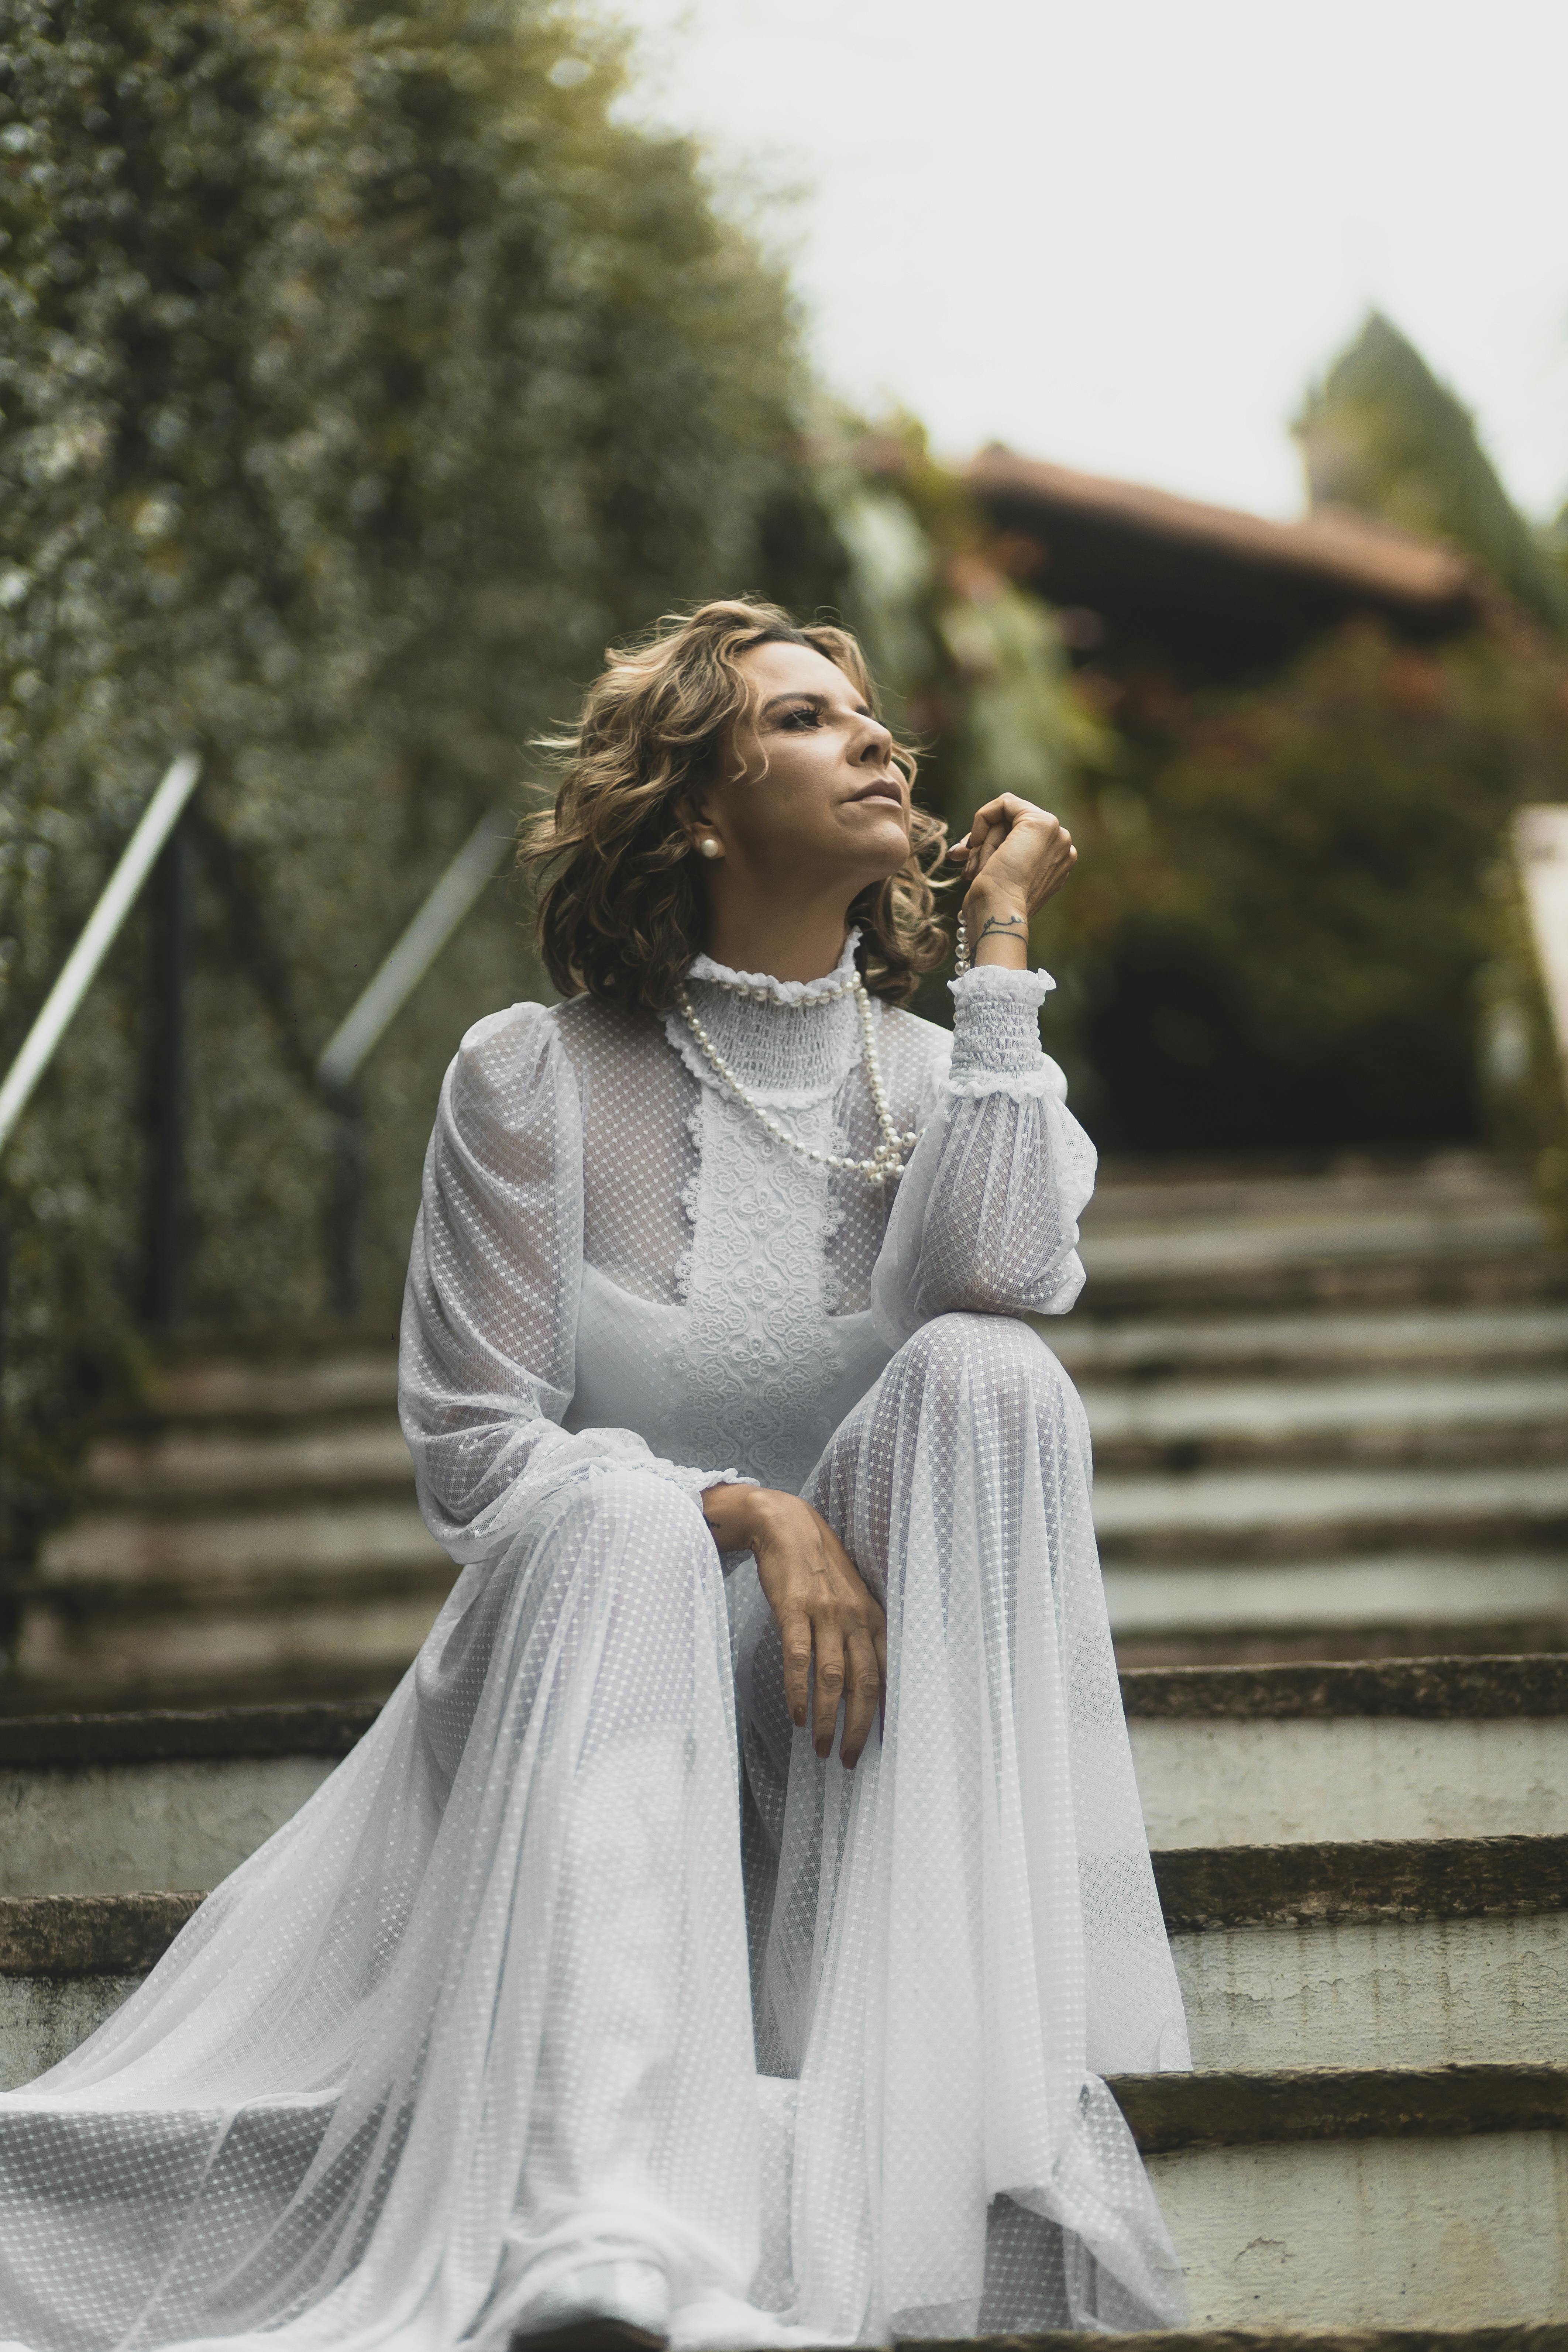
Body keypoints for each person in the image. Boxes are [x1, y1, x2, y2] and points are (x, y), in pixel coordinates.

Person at [0, 600, 1189, 2352]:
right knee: (630, 1508)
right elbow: (476, 1456)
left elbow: (1008, 1278)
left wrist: (1000, 949)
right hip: (582, 1696)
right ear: (700, 806)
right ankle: (605, 2220)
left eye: (877, 726)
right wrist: (744, 1508)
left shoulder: (953, 1076)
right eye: (805, 720)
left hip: (838, 1748)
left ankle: (949, 2081)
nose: (879, 745)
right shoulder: (530, 1078)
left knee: (990, 1373)